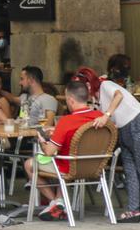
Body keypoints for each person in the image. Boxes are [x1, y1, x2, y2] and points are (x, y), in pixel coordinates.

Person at [74, 65, 140, 222]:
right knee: (130, 170)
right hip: (124, 129)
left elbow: (119, 96)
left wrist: (107, 115)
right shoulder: (95, 100)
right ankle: (134, 209)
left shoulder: (105, 85)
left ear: (88, 84)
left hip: (139, 121)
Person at [23, 80, 104, 222]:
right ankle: (59, 202)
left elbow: (49, 152)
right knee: (63, 157)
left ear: (71, 101)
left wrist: (42, 139)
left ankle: (56, 202)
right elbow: (83, 131)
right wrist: (58, 131)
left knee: (30, 164)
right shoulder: (100, 118)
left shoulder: (66, 121)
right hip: (95, 166)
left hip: (69, 167)